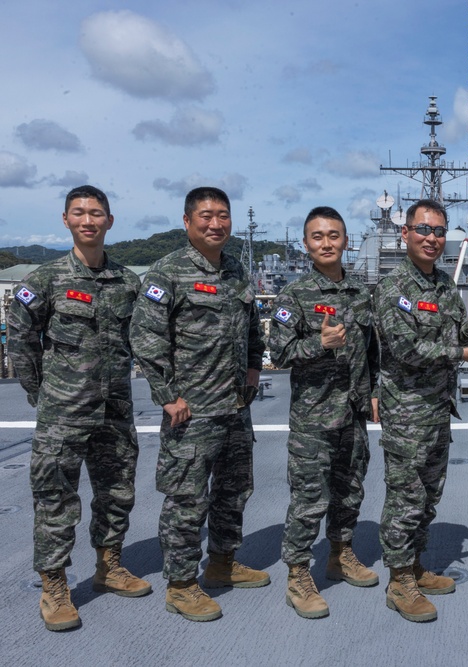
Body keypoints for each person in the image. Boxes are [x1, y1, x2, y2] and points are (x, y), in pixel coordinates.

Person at [9, 185, 150, 632]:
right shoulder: (45, 281)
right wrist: (43, 394)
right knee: (56, 499)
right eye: (79, 213)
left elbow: (144, 340)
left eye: (96, 213)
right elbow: (21, 341)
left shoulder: (129, 282)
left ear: (110, 221)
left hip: (115, 410)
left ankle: (109, 567)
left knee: (117, 494)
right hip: (63, 413)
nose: (88, 220)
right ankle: (54, 585)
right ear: (66, 220)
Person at [130, 186, 268, 623]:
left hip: (234, 406)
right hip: (190, 411)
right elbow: (144, 338)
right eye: (206, 216)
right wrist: (168, 396)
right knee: (186, 501)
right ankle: (181, 584)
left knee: (234, 491)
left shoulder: (235, 271)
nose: (216, 223)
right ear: (187, 221)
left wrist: (252, 368)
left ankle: (222, 563)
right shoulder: (166, 273)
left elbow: (251, 329)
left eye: (222, 215)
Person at [374, 199, 468, 623]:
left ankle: (416, 565)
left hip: (438, 408)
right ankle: (399, 579)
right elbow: (406, 349)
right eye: (424, 230)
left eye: (440, 232)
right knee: (405, 495)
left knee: (428, 493)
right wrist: (460, 350)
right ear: (405, 233)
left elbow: (457, 332)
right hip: (406, 411)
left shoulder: (443, 287)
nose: (432, 238)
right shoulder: (393, 289)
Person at [269, 206, 380, 619]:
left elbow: (372, 352)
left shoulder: (361, 293)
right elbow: (278, 353)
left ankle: (340, 553)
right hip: (313, 419)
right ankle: (298, 574)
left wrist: (373, 392)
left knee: (350, 490)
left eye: (334, 235)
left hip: (352, 413)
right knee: (309, 499)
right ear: (306, 245)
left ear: (346, 241)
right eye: (318, 237)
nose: (327, 243)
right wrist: (319, 345)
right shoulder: (293, 296)